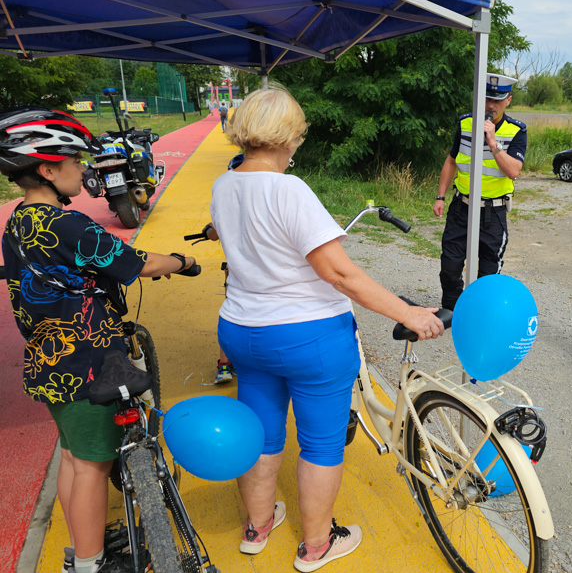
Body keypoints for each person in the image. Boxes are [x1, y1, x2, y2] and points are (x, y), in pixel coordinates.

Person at [209, 85, 443, 571]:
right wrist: (409, 312)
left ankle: (257, 526)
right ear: (288, 136)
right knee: (319, 442)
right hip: (307, 335)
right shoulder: (289, 188)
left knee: (262, 433)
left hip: (242, 331)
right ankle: (316, 543)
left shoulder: (223, 185)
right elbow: (340, 274)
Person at [0, 106, 197, 573]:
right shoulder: (67, 224)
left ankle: (80, 551)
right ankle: (90, 564)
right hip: (87, 363)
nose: (85, 170)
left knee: (73, 457)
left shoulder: (17, 223)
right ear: (47, 168)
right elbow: (137, 263)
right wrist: (182, 261)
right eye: (76, 162)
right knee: (91, 467)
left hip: (49, 361)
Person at [434, 72, 526, 311]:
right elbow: (452, 160)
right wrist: (440, 196)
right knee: (450, 266)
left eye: (497, 100)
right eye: (486, 99)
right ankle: (452, 312)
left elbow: (513, 171)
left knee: (488, 272)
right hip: (461, 207)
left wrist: (494, 144)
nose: (491, 105)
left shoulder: (517, 131)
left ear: (508, 100)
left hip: (492, 213)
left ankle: (480, 315)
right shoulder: (465, 123)